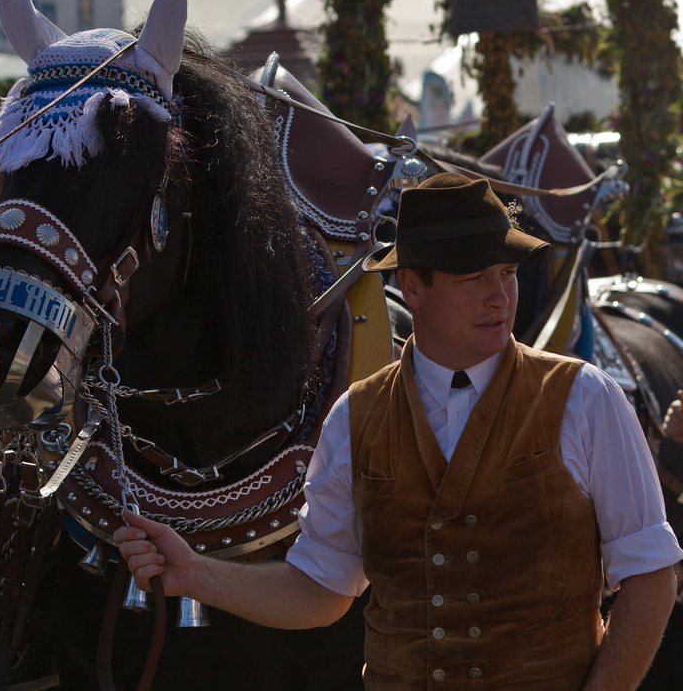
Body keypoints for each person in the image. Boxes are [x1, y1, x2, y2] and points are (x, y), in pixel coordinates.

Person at [116, 172, 682, 690]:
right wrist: (195, 574)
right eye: (474, 277)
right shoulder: (354, 418)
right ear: (412, 287)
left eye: (507, 273)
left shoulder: (586, 398)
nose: (500, 297)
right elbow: (321, 587)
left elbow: (652, 575)